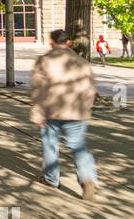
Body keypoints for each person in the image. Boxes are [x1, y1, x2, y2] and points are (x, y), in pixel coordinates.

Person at [30, 29, 99, 200]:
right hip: (76, 112)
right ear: (68, 43)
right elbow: (91, 90)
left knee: (50, 145)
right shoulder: (82, 62)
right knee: (78, 147)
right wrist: (85, 107)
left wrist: (37, 113)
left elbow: (38, 90)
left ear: (52, 42)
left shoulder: (44, 61)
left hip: (50, 112)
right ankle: (87, 179)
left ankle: (52, 179)